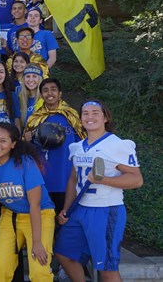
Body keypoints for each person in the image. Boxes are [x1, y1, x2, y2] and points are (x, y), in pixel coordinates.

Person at [55, 100, 143, 282]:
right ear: (80, 119)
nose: (90, 116)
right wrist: (67, 208)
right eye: (85, 113)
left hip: (106, 209)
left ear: (105, 118)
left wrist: (105, 180)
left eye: (95, 112)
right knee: (64, 253)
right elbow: (73, 180)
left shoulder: (116, 144)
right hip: (80, 210)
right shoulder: (77, 146)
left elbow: (136, 179)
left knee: (107, 268)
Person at [0, 123, 55, 281]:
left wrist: (37, 242)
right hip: (11, 216)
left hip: (39, 215)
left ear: (13, 144)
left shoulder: (25, 162)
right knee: (0, 269)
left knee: (40, 272)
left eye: (3, 141)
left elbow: (35, 204)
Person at [24, 78, 86, 214]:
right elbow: (27, 149)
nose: (49, 93)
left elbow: (83, 143)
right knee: (45, 221)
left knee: (65, 219)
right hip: (43, 178)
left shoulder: (72, 116)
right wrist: (26, 139)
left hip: (66, 178)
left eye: (53, 89)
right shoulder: (34, 118)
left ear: (60, 93)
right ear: (41, 95)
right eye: (45, 90)